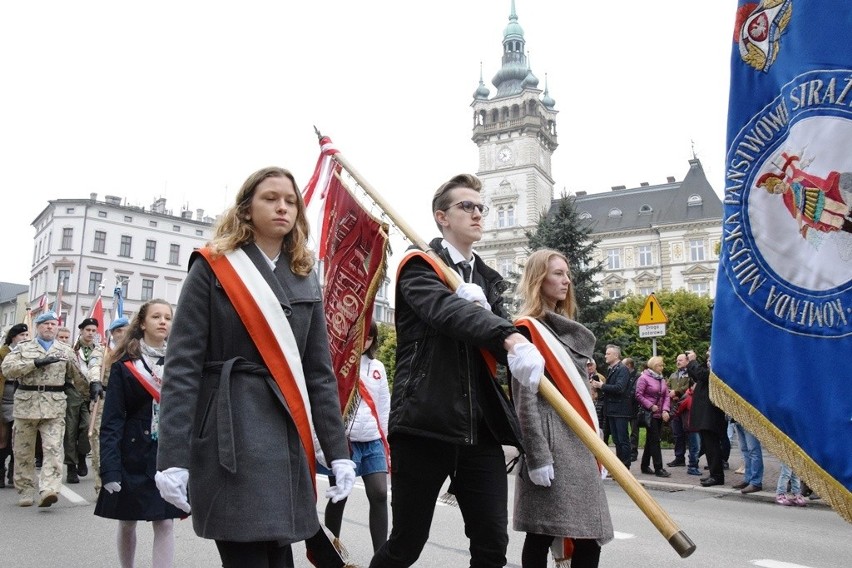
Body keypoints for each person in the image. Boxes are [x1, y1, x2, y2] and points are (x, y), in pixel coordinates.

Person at [156, 166, 356, 568]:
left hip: (285, 432)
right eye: (270, 198)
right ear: (246, 209)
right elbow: (181, 369)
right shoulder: (212, 267)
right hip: (229, 431)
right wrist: (171, 458)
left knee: (280, 555)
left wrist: (338, 452)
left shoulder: (303, 277)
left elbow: (318, 373)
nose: (283, 207)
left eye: (291, 201)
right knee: (245, 553)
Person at [369, 173, 544, 568]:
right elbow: (445, 313)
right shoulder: (419, 266)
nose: (478, 213)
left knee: (491, 545)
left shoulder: (486, 279)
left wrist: (512, 338)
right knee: (406, 544)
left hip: (479, 429)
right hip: (425, 423)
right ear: (442, 217)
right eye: (467, 206)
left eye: (481, 207)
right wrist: (505, 334)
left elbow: (501, 348)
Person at [512, 249, 613, 568]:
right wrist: (538, 456)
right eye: (557, 273)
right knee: (542, 532)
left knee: (589, 534)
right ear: (538, 279)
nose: (566, 280)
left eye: (567, 274)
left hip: (581, 446)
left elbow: (580, 396)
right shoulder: (526, 329)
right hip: (553, 449)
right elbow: (524, 398)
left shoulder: (565, 329)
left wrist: (599, 448)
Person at [95, 299, 183, 568]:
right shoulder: (125, 365)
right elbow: (111, 421)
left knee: (165, 521)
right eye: (156, 316)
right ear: (142, 323)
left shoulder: (181, 362)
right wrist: (109, 469)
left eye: (168, 317)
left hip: (165, 454)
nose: (163, 322)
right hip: (131, 454)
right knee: (128, 520)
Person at [0, 311, 86, 507]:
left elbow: (78, 377)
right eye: (45, 324)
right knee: (23, 450)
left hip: (54, 407)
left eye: (53, 324)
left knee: (53, 448)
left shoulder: (65, 351)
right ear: (37, 327)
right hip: (25, 405)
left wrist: (94, 390)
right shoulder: (23, 348)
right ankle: (25, 490)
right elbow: (7, 369)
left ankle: (49, 488)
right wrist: (34, 363)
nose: (50, 327)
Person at [322, 321, 390, 553]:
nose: (365, 342)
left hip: (372, 441)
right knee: (340, 498)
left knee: (380, 493)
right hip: (344, 443)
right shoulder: (335, 365)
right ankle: (331, 555)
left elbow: (383, 408)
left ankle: (381, 558)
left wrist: (385, 439)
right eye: (362, 336)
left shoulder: (377, 366)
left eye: (369, 338)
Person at [89, 316, 129, 494]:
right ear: (112, 334)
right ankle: (102, 482)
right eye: (118, 330)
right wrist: (95, 381)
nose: (122, 333)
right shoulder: (103, 351)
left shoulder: (134, 350)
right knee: (100, 441)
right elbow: (94, 366)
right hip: (105, 399)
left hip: (129, 402)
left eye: (125, 329)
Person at [65, 317, 103, 483]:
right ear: (81, 330)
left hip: (92, 394)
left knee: (87, 428)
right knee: (71, 430)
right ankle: (71, 467)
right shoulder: (70, 350)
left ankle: (81, 456)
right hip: (73, 392)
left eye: (94, 330)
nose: (90, 333)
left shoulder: (100, 350)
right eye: (88, 330)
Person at [687, 348, 726, 487]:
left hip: (711, 412)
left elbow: (703, 375)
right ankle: (714, 474)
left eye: (711, 350)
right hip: (705, 411)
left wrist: (692, 362)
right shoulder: (710, 364)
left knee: (713, 445)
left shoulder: (719, 364)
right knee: (709, 445)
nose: (708, 352)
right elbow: (697, 375)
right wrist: (694, 364)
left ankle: (717, 476)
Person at [589, 345, 631, 469]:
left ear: (616, 355)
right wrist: (599, 387)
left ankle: (625, 466)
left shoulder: (622, 369)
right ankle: (619, 466)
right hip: (611, 409)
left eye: (608, 353)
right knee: (617, 440)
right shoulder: (611, 369)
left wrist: (602, 386)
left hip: (620, 409)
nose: (605, 356)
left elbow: (619, 388)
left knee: (623, 439)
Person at [0, 323, 30, 488]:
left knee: (17, 439)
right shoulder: (2, 353)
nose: (24, 339)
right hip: (4, 399)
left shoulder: (29, 354)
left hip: (22, 399)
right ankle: (0, 471)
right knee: (2, 439)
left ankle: (13, 472)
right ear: (13, 337)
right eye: (21, 336)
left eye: (26, 336)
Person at [634, 356, 672, 478]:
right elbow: (638, 395)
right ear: (654, 366)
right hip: (649, 414)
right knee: (655, 440)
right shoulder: (644, 378)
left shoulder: (661, 379)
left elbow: (666, 395)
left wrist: (665, 410)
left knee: (651, 440)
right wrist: (650, 406)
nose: (662, 367)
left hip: (659, 414)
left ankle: (644, 465)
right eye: (660, 365)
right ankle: (659, 468)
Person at [666, 353, 690, 467]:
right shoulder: (673, 375)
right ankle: (679, 458)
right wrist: (670, 393)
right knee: (677, 433)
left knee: (690, 433)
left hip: (687, 408)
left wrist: (677, 392)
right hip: (675, 407)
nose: (678, 362)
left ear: (687, 361)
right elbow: (667, 386)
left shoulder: (690, 374)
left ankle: (693, 459)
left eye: (680, 360)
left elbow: (691, 387)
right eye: (677, 360)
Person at [674, 384, 702, 476]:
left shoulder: (699, 396)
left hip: (699, 426)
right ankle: (692, 467)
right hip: (691, 426)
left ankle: (693, 464)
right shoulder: (688, 397)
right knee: (695, 447)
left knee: (697, 447)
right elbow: (678, 409)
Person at [730, 419, 764, 494]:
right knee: (746, 451)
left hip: (749, 419)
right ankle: (748, 479)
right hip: (738, 420)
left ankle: (756, 482)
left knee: (753, 451)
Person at [622, 357, 640, 463]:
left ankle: (633, 452)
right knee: (625, 431)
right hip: (625, 407)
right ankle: (628, 451)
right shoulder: (626, 376)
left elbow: (634, 391)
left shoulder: (638, 377)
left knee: (634, 431)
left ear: (629, 365)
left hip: (634, 408)